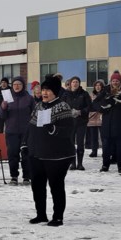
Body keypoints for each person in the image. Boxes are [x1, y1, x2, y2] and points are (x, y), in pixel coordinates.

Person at [27, 75, 75, 226]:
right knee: (37, 186)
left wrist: (53, 129)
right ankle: (41, 214)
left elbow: (69, 131)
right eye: (43, 90)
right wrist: (25, 144)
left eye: (48, 90)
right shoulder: (39, 106)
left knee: (56, 186)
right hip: (37, 154)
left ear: (55, 92)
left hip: (57, 156)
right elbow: (30, 128)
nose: (44, 93)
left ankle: (58, 217)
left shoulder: (63, 107)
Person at [0, 76, 34, 184]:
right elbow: (2, 115)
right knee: (13, 154)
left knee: (26, 155)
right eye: (14, 84)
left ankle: (27, 177)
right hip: (11, 131)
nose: (16, 86)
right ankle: (14, 176)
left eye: (19, 84)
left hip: (26, 132)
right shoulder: (8, 98)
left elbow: (35, 113)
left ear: (23, 86)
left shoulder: (29, 98)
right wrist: (3, 107)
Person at [93, 71, 121, 173]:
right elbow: (95, 102)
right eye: (113, 80)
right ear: (110, 81)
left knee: (120, 147)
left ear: (120, 81)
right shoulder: (105, 90)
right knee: (106, 147)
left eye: (117, 80)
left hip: (120, 123)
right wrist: (102, 109)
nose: (115, 82)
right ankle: (105, 165)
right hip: (107, 123)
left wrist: (114, 101)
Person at [61, 76, 91, 170]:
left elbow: (89, 106)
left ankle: (80, 163)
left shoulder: (84, 94)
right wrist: (68, 112)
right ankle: (72, 163)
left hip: (81, 121)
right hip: (69, 122)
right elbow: (61, 106)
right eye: (73, 82)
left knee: (80, 143)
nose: (75, 84)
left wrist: (80, 112)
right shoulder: (66, 94)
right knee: (71, 143)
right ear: (70, 84)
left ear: (79, 83)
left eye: (77, 82)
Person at [86, 79, 104, 158]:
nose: (98, 87)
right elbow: (89, 105)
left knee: (103, 136)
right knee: (93, 136)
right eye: (96, 85)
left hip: (101, 117)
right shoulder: (91, 95)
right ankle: (94, 151)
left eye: (99, 85)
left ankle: (105, 151)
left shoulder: (104, 94)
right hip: (92, 117)